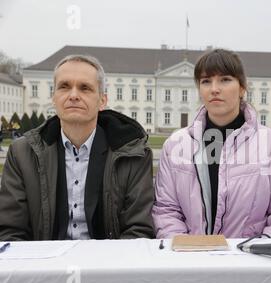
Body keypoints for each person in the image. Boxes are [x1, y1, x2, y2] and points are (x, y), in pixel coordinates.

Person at [152, 49, 271, 238]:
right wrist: (185, 253)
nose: (214, 89)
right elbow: (166, 211)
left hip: (250, 263)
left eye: (225, 80)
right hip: (190, 262)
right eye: (206, 81)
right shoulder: (175, 146)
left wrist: (255, 256)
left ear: (242, 87)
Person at [0, 54, 155, 240]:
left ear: (102, 101)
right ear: (54, 98)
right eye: (64, 87)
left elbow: (138, 231)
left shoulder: (133, 154)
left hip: (108, 265)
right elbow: (10, 232)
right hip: (44, 266)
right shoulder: (22, 154)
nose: (73, 95)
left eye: (85, 88)